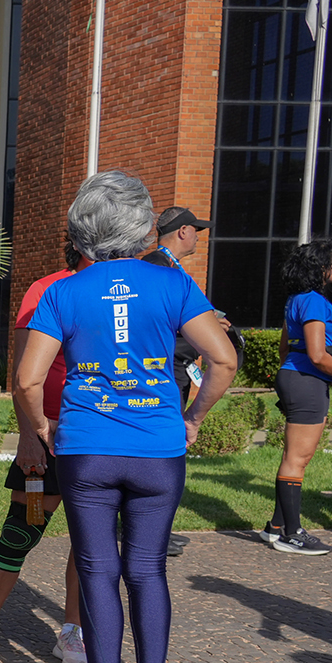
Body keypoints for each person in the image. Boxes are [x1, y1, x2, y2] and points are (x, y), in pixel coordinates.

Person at [15, 171, 236, 663]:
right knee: (147, 568)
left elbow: (26, 379)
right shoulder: (172, 284)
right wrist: (193, 418)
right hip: (158, 448)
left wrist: (40, 427)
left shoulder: (63, 291)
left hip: (87, 449)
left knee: (97, 569)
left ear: (82, 229)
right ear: (143, 226)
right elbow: (224, 360)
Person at [0, 241, 87, 663]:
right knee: (22, 530)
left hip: (99, 438)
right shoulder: (45, 290)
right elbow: (23, 374)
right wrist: (30, 437)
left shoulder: (120, 290)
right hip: (47, 438)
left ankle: (72, 631)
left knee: (91, 542)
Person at [142, 206, 234, 557]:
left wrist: (209, 323)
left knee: (165, 455)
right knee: (159, 456)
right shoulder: (156, 266)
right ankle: (148, 534)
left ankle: (155, 533)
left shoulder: (170, 267)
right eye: (196, 230)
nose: (199, 236)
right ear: (182, 231)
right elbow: (152, 319)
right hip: (162, 373)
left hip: (177, 369)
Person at [260, 242, 332, 554]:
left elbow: (285, 348)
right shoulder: (313, 301)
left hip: (294, 377)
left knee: (294, 455)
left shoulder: (296, 300)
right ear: (320, 268)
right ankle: (292, 533)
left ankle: (275, 526)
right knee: (297, 458)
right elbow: (316, 354)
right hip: (307, 380)